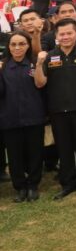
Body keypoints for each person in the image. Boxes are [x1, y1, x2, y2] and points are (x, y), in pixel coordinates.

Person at [34, 17, 76, 199]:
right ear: (56, 36)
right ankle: (68, 182)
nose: (65, 37)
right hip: (57, 110)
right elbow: (40, 83)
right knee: (64, 148)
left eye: (69, 33)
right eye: (61, 34)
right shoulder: (49, 56)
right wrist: (38, 64)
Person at [0, 31, 46, 202]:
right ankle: (20, 187)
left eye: (22, 44)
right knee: (14, 156)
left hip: (34, 116)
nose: (17, 48)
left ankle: (33, 185)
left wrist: (39, 65)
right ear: (8, 47)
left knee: (35, 153)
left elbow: (41, 85)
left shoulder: (35, 64)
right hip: (9, 118)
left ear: (28, 46)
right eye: (13, 44)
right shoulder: (3, 66)